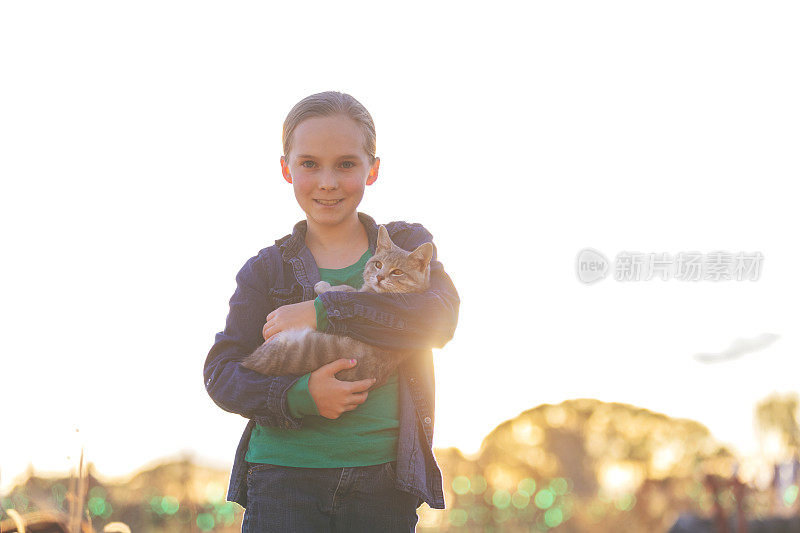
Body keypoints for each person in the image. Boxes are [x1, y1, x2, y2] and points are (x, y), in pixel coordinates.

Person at [203, 91, 460, 532]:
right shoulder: (267, 270)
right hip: (283, 479)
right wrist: (299, 396)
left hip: (384, 482)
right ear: (286, 168)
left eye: (346, 164)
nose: (328, 181)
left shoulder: (403, 245)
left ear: (372, 169)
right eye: (309, 164)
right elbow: (221, 373)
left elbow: (438, 320)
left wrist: (326, 311)